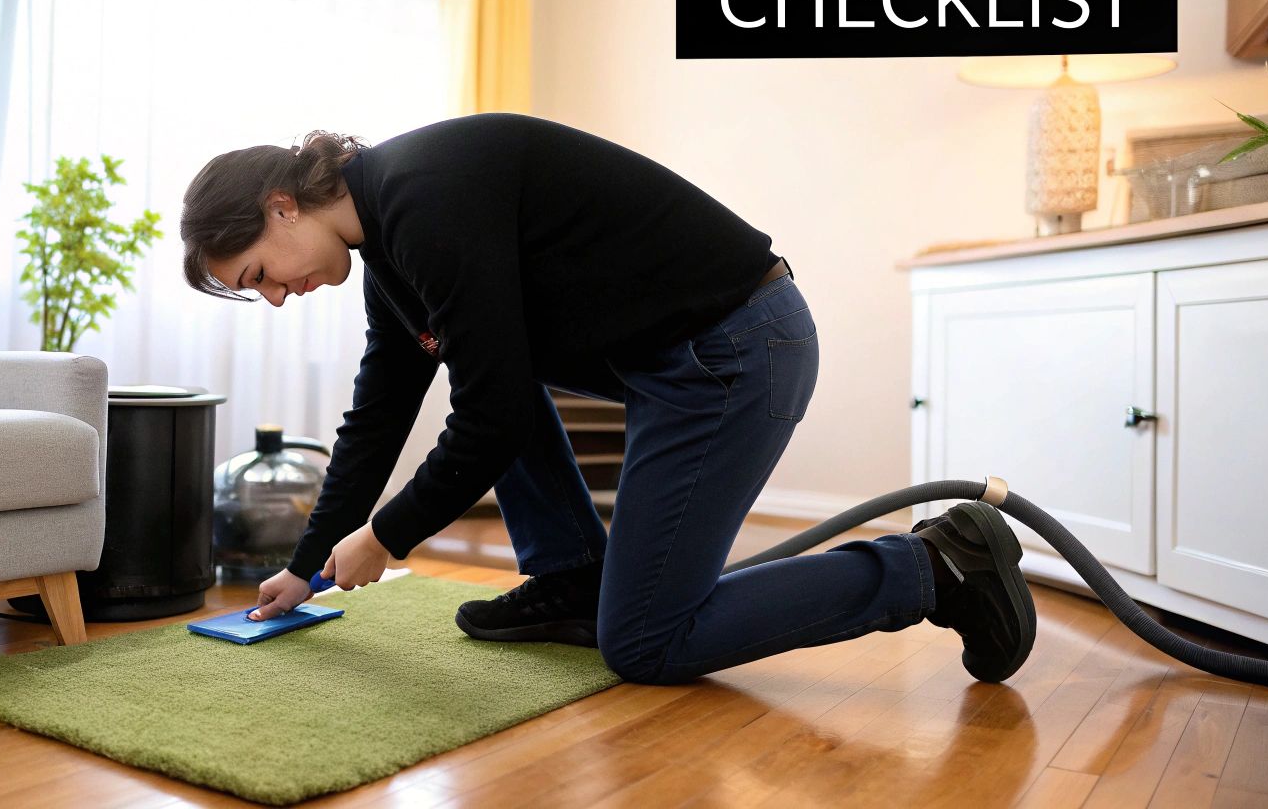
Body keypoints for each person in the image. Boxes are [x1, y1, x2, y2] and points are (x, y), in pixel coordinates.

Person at [179, 113, 1035, 685]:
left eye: (260, 275)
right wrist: (305, 564)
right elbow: (379, 415)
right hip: (678, 365)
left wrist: (385, 536)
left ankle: (936, 565)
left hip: (737, 353)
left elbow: (493, 420)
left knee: (647, 643)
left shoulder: (422, 196)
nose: (277, 298)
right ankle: (572, 579)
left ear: (282, 208)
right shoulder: (390, 258)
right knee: (494, 378)